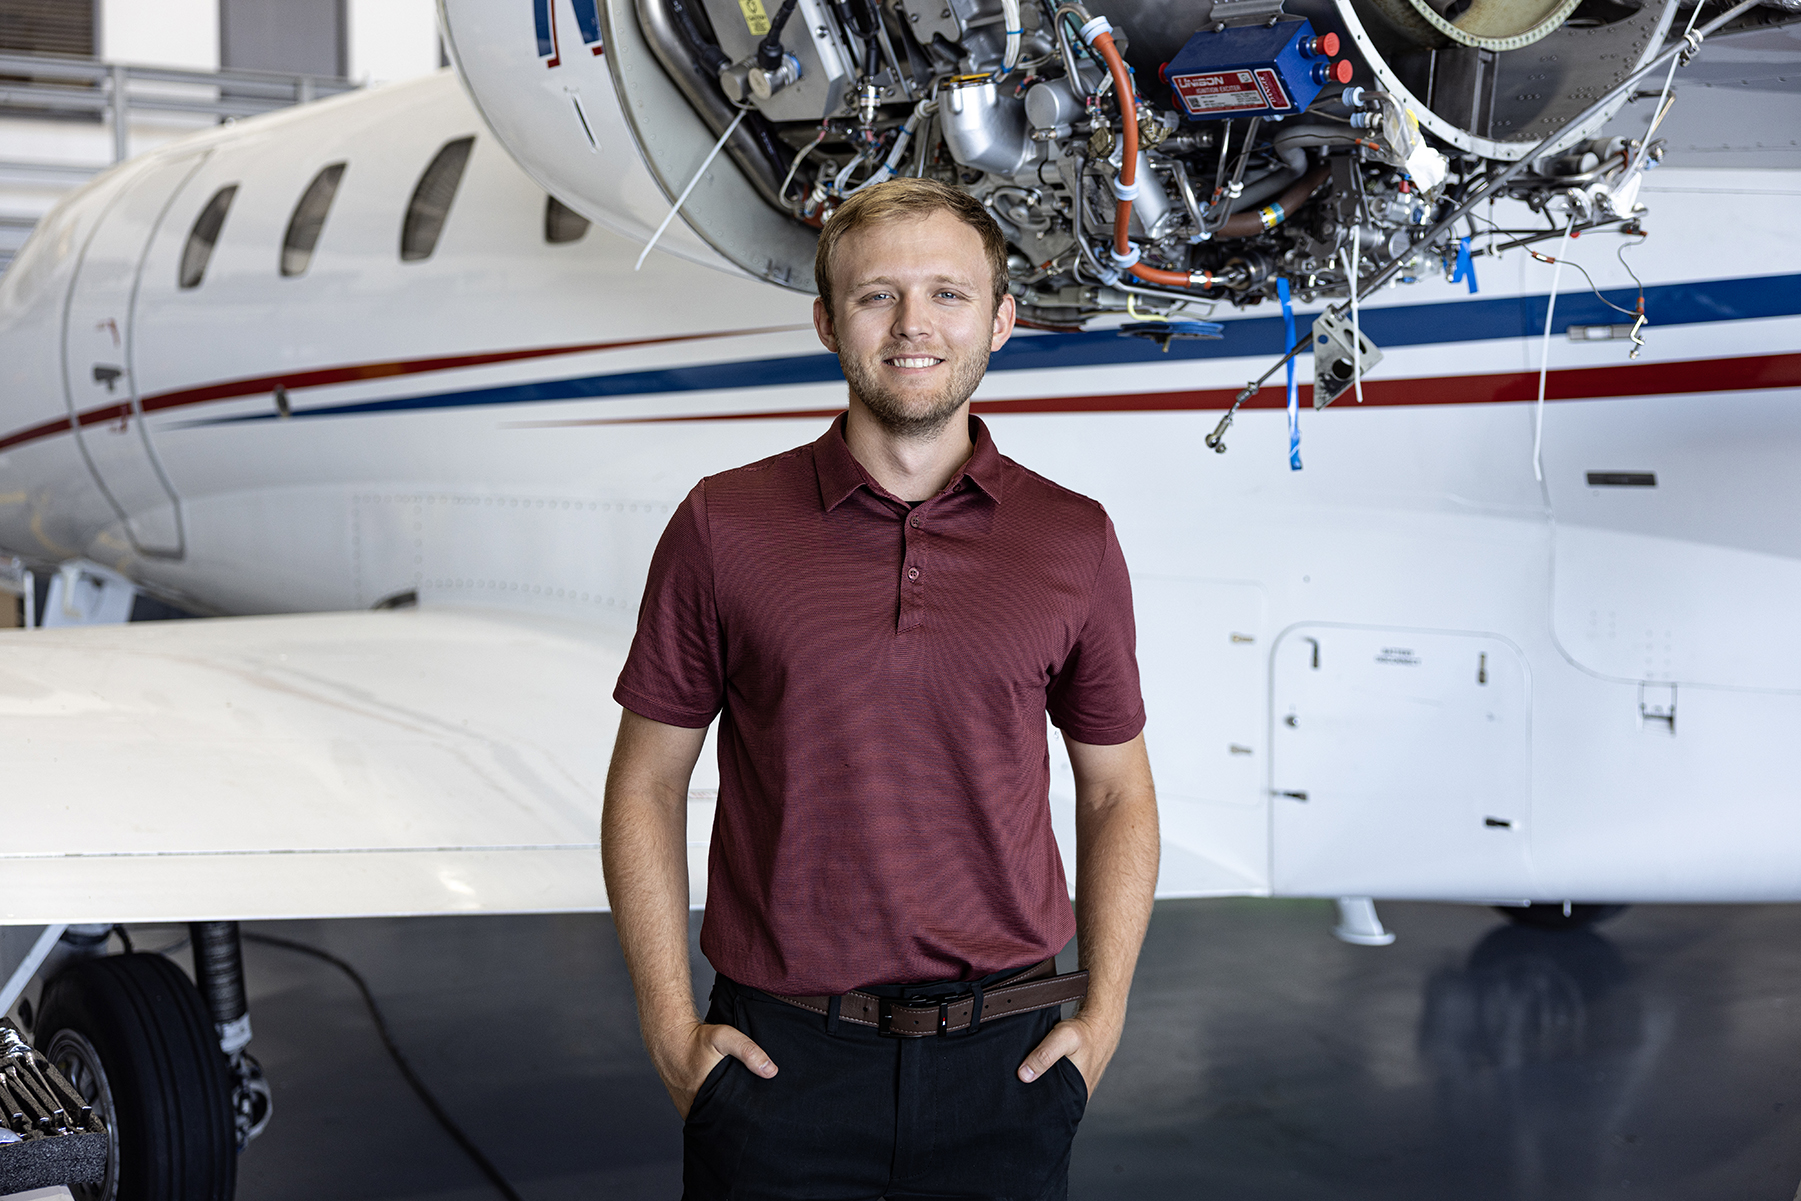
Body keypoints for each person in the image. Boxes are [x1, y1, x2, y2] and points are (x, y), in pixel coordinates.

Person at [602, 177, 1159, 1201]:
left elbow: (1117, 788)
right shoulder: (722, 524)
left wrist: (1106, 1012)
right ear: (827, 322)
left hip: (1007, 1063)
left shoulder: (1072, 539)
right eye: (876, 296)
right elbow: (645, 782)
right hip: (779, 1065)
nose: (913, 325)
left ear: (1000, 320)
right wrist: (670, 1029)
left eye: (948, 293)